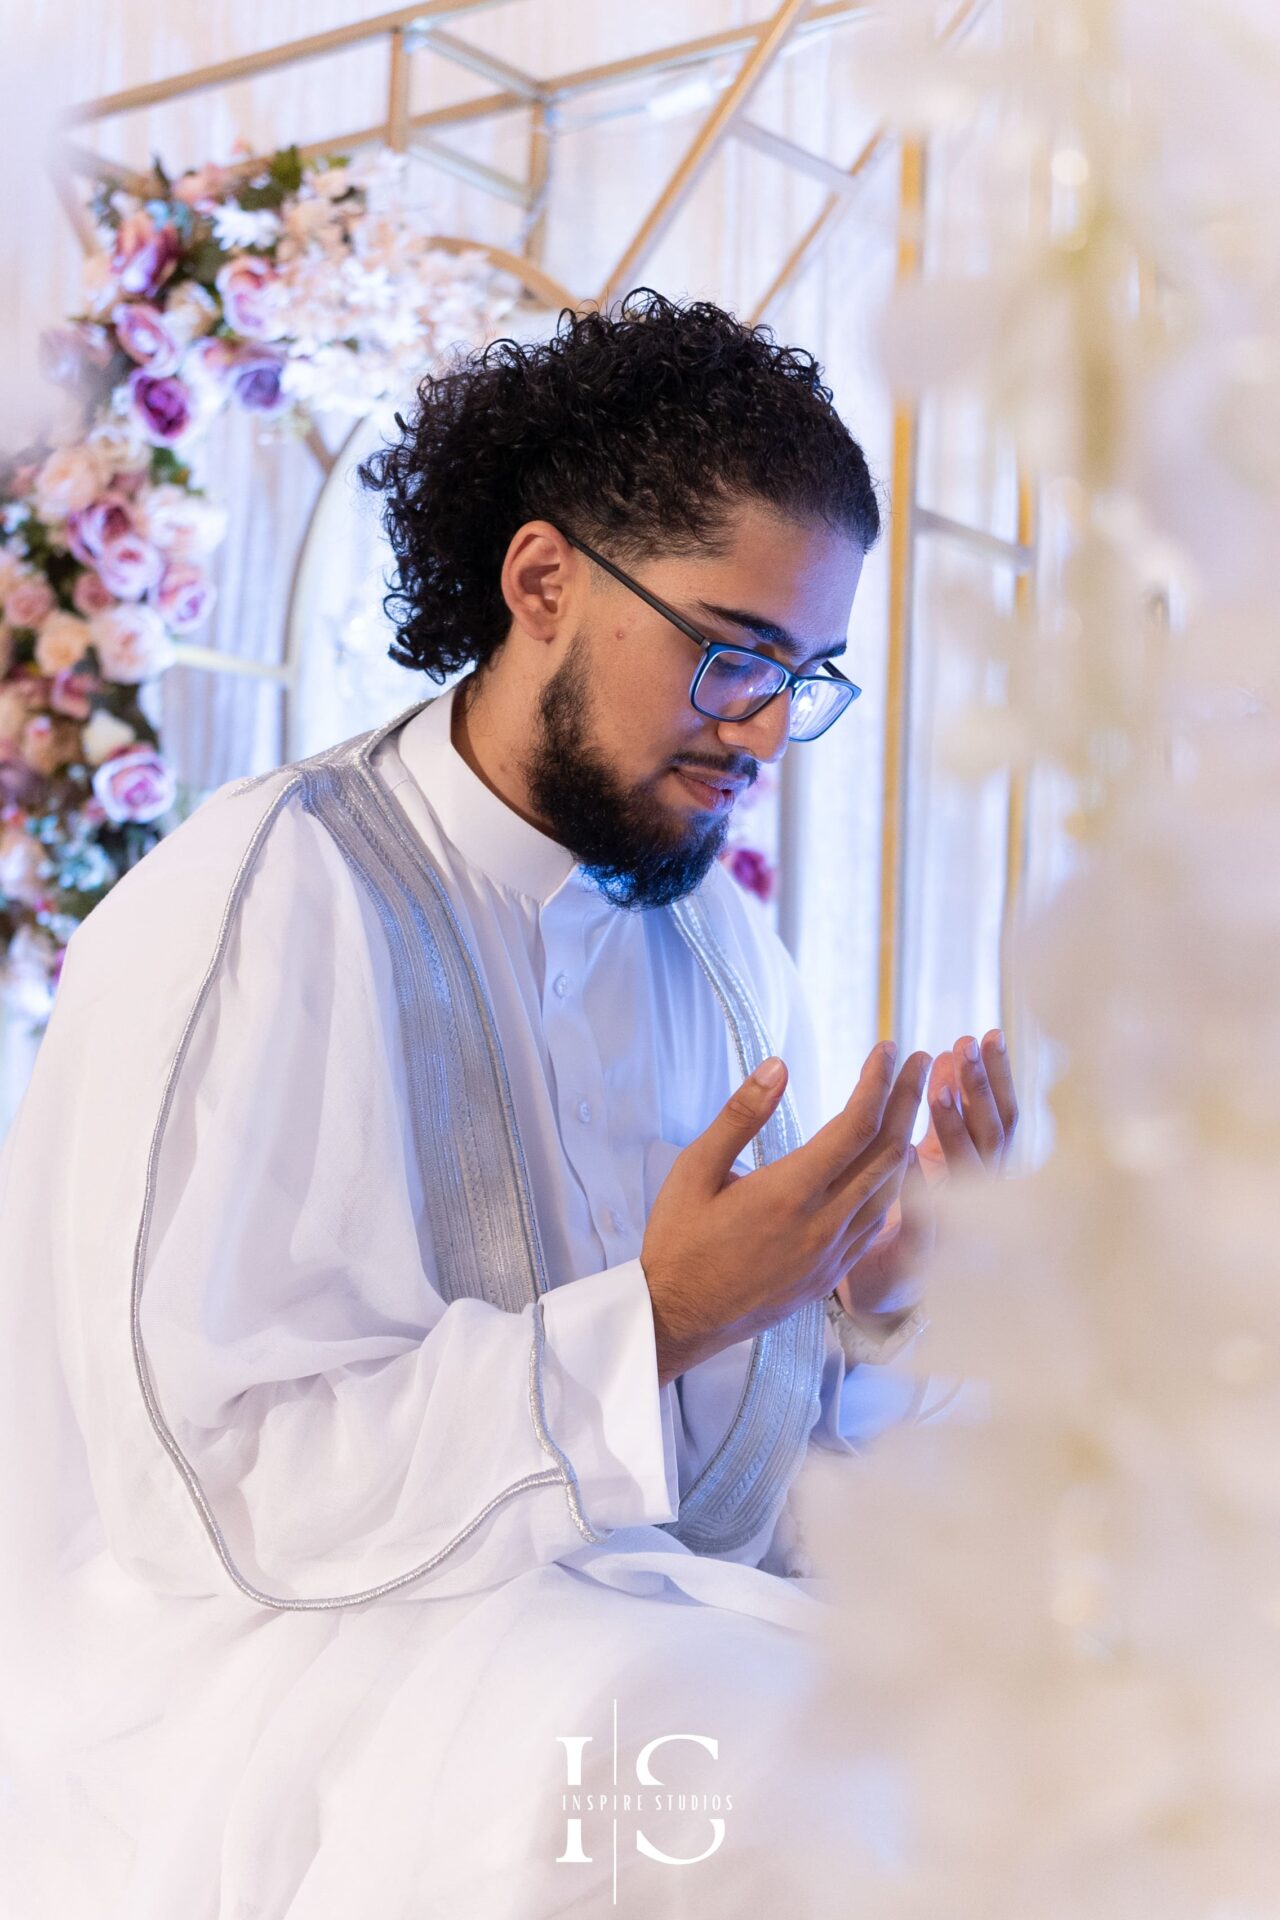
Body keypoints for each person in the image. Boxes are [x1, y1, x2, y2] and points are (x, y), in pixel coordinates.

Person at [0, 289, 1018, 1916]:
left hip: (615, 1626)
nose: (767, 727)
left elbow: (731, 1499)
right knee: (687, 1744)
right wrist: (664, 1320)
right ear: (542, 580)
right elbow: (216, 1489)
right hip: (257, 1669)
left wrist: (861, 1303)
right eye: (731, 651)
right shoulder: (260, 906)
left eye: (806, 674)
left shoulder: (730, 948)